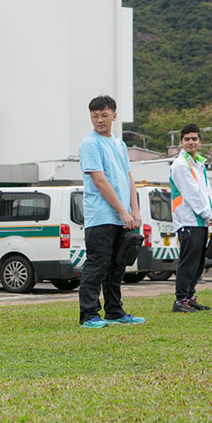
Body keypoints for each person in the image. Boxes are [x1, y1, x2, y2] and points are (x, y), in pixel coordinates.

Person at [77, 95, 146, 328]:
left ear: (114, 116)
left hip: (122, 217)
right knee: (97, 266)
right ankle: (88, 314)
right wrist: (122, 211)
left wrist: (134, 210)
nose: (99, 120)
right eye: (95, 116)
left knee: (117, 268)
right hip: (100, 217)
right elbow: (100, 181)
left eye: (104, 115)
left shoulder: (119, 143)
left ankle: (115, 312)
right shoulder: (90, 144)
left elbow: (128, 177)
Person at [169, 123, 212, 312]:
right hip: (188, 220)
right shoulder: (181, 165)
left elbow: (207, 192)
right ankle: (181, 299)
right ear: (181, 142)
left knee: (198, 262)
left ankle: (189, 296)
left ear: (200, 142)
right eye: (187, 139)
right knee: (189, 260)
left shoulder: (198, 164)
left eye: (194, 139)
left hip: (200, 221)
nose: (191, 142)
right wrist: (209, 215)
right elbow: (192, 195)